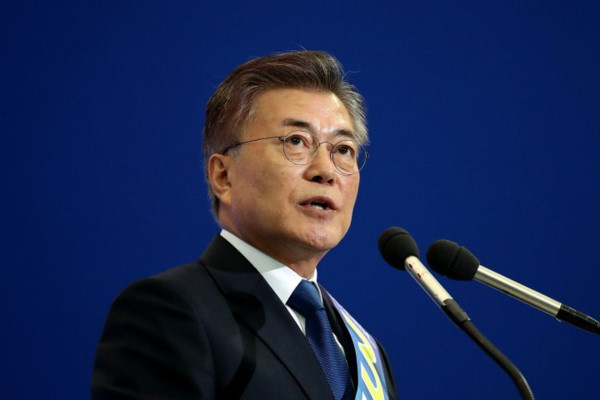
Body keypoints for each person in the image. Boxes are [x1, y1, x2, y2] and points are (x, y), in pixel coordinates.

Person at [91, 50, 398, 400]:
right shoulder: (169, 312)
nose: (326, 171)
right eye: (296, 141)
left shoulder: (367, 352)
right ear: (223, 176)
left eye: (343, 149)